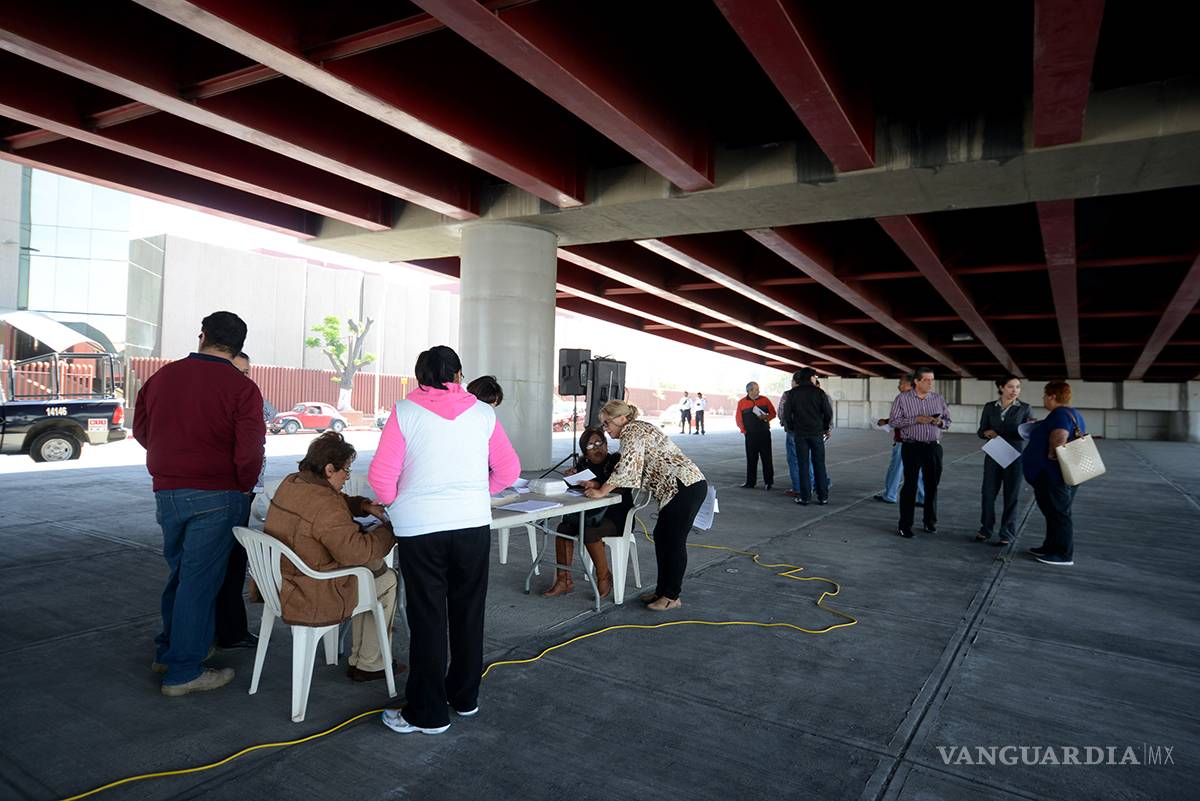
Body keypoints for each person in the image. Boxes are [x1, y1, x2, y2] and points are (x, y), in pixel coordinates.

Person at [369, 346, 520, 735]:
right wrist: (477, 492)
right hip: (471, 525)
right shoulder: (483, 413)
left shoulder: (405, 412)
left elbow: (381, 478)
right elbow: (508, 470)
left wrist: (398, 504)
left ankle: (428, 713)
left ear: (418, 376)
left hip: (421, 530)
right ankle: (465, 698)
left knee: (427, 620)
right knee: (469, 613)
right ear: (458, 374)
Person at [133, 311, 265, 696]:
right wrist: (241, 486)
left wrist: (174, 460)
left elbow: (143, 432)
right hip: (218, 494)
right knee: (199, 583)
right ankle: (183, 671)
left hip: (168, 491)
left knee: (179, 575)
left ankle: (168, 651)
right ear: (238, 346)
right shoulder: (241, 388)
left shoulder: (161, 378)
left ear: (202, 335)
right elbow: (250, 451)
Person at [264, 432, 402, 682]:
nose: (347, 477)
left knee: (373, 568)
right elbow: (355, 551)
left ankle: (364, 660)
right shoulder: (324, 503)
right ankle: (369, 664)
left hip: (279, 579)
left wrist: (362, 505)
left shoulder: (293, 482)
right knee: (386, 580)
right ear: (329, 469)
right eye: (346, 471)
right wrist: (391, 531)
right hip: (310, 589)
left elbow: (332, 504)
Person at [585, 400, 707, 611]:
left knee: (674, 541)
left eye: (607, 423)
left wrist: (601, 491)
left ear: (622, 419)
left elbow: (628, 467)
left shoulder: (632, 430)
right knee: (662, 537)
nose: (605, 429)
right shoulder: (637, 429)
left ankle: (671, 596)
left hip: (684, 487)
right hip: (678, 488)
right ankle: (662, 591)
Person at [211, 351, 267, 651]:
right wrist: (245, 485)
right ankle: (224, 632)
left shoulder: (244, 396)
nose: (243, 377)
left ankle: (231, 629)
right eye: (238, 370)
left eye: (247, 371)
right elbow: (247, 452)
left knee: (234, 565)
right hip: (233, 491)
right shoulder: (228, 401)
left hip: (244, 490)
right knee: (223, 567)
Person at [541, 426, 633, 598]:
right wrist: (573, 479)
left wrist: (597, 485)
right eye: (590, 446)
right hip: (589, 515)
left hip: (616, 516)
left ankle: (604, 576)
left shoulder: (616, 461)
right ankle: (564, 580)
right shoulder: (583, 464)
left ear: (606, 444)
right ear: (584, 451)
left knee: (589, 532)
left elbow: (622, 488)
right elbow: (579, 492)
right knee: (563, 529)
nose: (597, 448)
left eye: (600, 443)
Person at [1023, 381, 1086, 566]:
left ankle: (1063, 554)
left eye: (1044, 395)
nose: (1043, 399)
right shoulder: (1073, 413)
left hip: (1053, 476)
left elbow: (1060, 436)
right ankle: (1050, 547)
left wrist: (1051, 454)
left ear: (1052, 396)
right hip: (1061, 474)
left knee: (1059, 513)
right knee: (1053, 512)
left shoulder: (1059, 413)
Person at [888, 367, 951, 538]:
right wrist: (915, 419)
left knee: (932, 486)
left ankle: (929, 522)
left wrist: (939, 422)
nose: (930, 383)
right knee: (910, 485)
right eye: (926, 380)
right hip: (912, 446)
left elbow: (948, 421)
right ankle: (905, 525)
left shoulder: (938, 399)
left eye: (932, 380)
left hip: (933, 447)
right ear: (916, 381)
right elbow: (894, 421)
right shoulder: (902, 398)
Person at [976, 374, 1034, 546]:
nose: (1014, 390)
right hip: (993, 454)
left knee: (1011, 496)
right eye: (1010, 386)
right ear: (1001, 387)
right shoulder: (989, 407)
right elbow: (981, 431)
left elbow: (1029, 432)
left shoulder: (1025, 408)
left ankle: (1007, 533)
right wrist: (986, 433)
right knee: (987, 494)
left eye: (1017, 387)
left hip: (1014, 457)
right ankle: (985, 529)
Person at [781, 368, 833, 506]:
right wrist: (825, 427)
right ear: (811, 377)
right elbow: (828, 413)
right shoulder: (819, 393)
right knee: (819, 464)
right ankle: (823, 497)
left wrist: (792, 427)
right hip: (816, 433)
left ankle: (805, 497)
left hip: (800, 434)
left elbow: (787, 414)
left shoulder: (793, 393)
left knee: (803, 465)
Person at [875, 374, 925, 506]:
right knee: (918, 470)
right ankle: (924, 497)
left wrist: (885, 422)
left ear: (910, 385)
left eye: (901, 383)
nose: (899, 385)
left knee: (895, 469)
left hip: (903, 441)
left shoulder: (902, 399)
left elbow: (899, 419)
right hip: (919, 441)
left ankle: (890, 495)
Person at [735, 381, 776, 489]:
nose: (758, 391)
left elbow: (773, 413)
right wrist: (744, 431)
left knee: (767, 458)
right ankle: (750, 482)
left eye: (758, 389)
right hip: (750, 435)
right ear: (749, 391)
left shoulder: (765, 400)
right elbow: (738, 419)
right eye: (756, 389)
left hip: (764, 433)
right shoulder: (742, 402)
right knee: (751, 459)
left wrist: (766, 417)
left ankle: (769, 482)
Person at [778, 376, 803, 498]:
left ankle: (797, 488)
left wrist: (784, 423)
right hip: (809, 431)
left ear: (794, 382)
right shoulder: (815, 393)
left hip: (793, 430)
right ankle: (810, 486)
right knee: (807, 460)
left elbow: (781, 411)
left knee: (793, 459)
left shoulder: (788, 394)